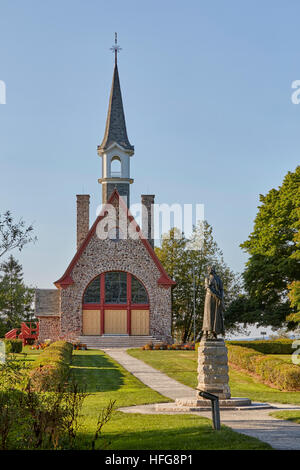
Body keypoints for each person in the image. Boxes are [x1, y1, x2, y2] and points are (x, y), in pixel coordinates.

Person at [202, 266, 225, 339]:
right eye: (209, 269)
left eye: (211, 269)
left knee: (216, 315)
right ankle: (208, 331)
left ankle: (215, 332)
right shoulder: (207, 278)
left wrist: (220, 296)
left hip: (217, 299)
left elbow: (221, 289)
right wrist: (216, 295)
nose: (210, 270)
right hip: (210, 298)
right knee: (209, 315)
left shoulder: (218, 279)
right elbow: (208, 288)